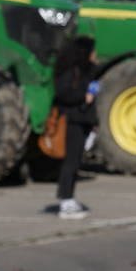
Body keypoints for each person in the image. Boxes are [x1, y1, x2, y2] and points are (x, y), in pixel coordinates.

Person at [53, 35, 99, 220]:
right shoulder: (70, 72)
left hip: (82, 122)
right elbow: (63, 95)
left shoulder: (85, 72)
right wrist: (83, 96)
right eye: (92, 51)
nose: (95, 55)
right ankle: (65, 201)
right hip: (71, 122)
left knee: (76, 162)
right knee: (70, 163)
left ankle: (70, 198)